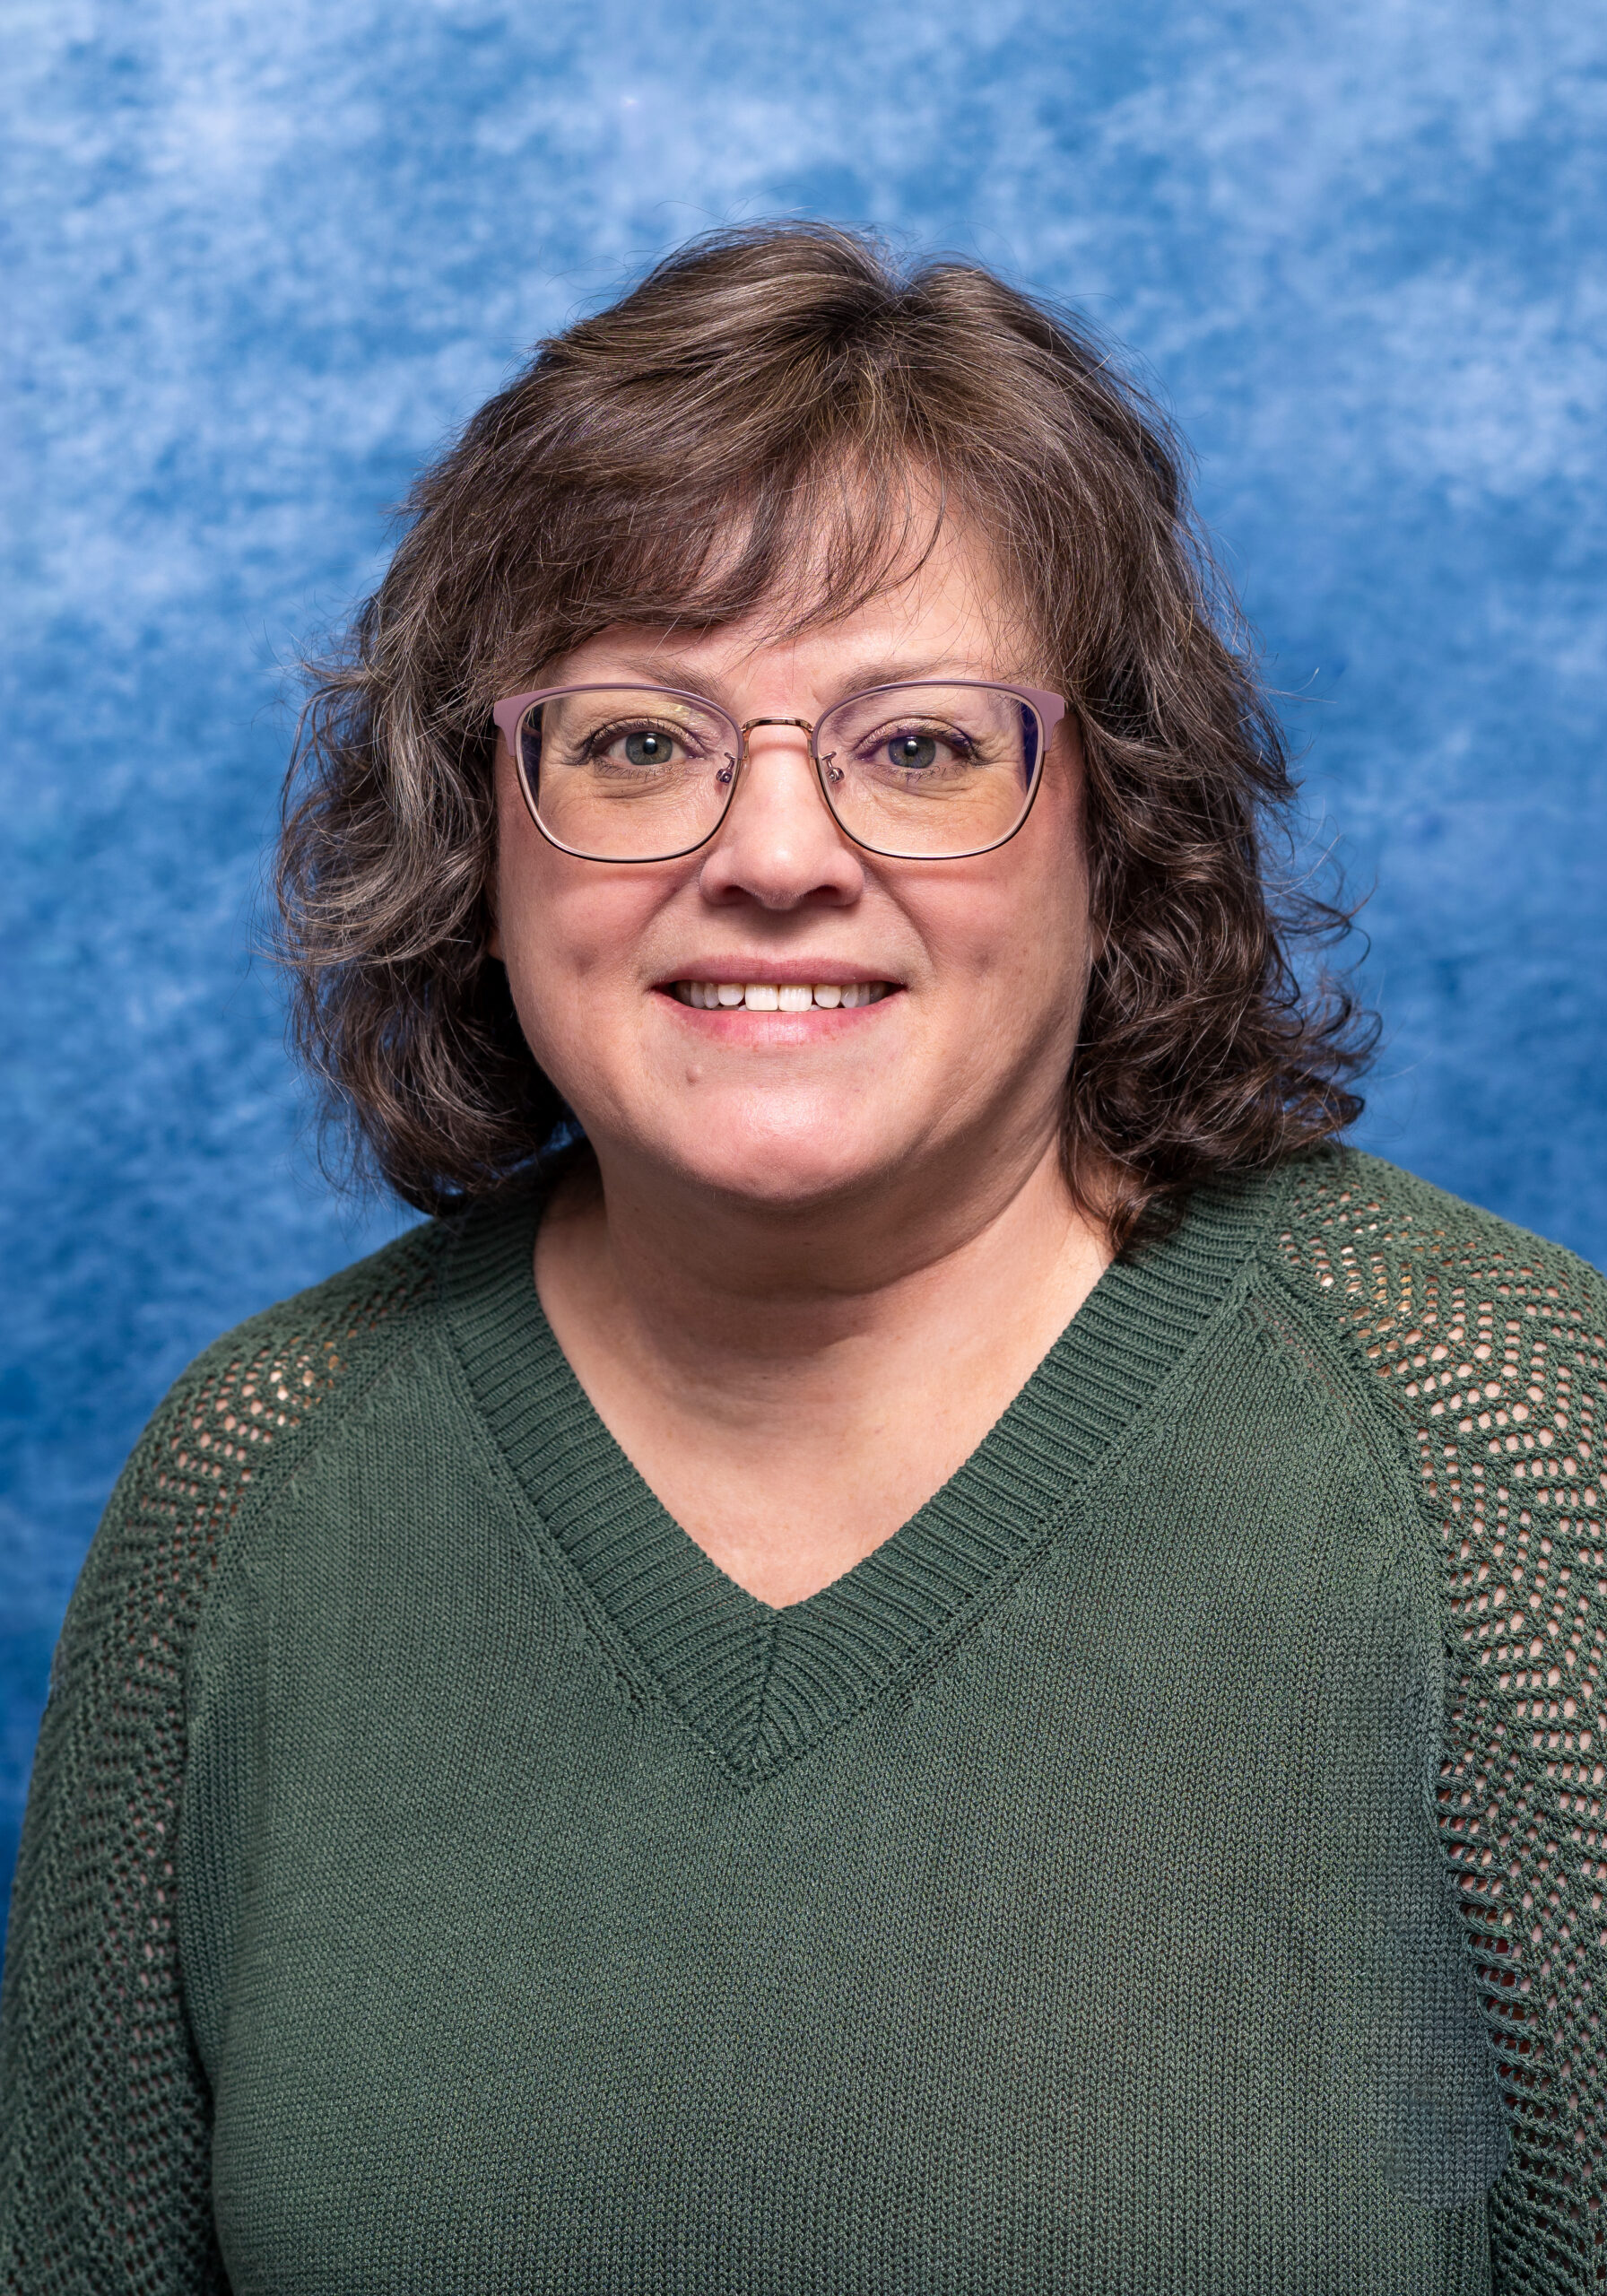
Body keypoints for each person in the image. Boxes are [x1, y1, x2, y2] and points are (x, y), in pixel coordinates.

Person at [2, 222, 1603, 2296]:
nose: (767, 854)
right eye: (636, 741)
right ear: (480, 826)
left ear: (1112, 823)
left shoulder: (1515, 1453)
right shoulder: (247, 1499)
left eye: (919, 744)